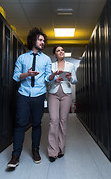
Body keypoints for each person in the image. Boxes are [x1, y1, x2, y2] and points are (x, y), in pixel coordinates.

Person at [7, 27, 59, 168]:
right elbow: (16, 76)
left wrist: (52, 76)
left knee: (36, 124)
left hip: (39, 95)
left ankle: (35, 151)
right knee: (20, 123)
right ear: (33, 40)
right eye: (40, 40)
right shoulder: (22, 58)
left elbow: (48, 79)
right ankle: (15, 156)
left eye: (43, 40)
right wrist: (27, 74)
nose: (42, 42)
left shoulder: (47, 59)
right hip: (23, 94)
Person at [47, 46, 78, 162]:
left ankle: (61, 149)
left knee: (63, 121)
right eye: (58, 51)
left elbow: (75, 80)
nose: (61, 52)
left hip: (66, 94)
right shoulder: (50, 66)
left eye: (62, 50)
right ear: (55, 54)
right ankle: (52, 151)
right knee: (53, 120)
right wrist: (53, 80)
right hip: (53, 93)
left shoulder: (71, 66)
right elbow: (47, 80)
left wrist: (70, 78)